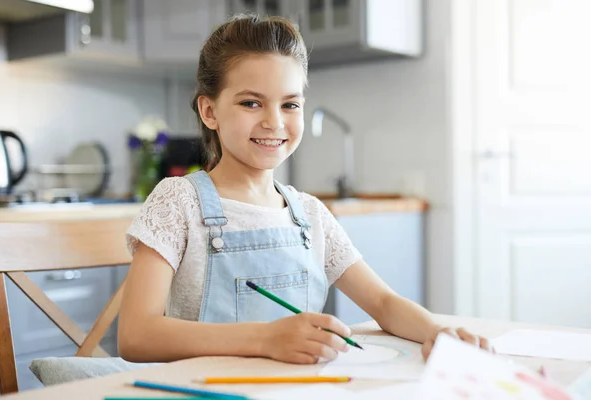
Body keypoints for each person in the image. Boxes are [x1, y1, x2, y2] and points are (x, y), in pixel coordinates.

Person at [118, 13, 492, 365]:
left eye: (290, 104)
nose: (273, 121)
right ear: (209, 111)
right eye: (251, 103)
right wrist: (265, 339)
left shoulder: (309, 214)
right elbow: (136, 335)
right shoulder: (178, 201)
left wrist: (437, 331)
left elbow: (381, 301)